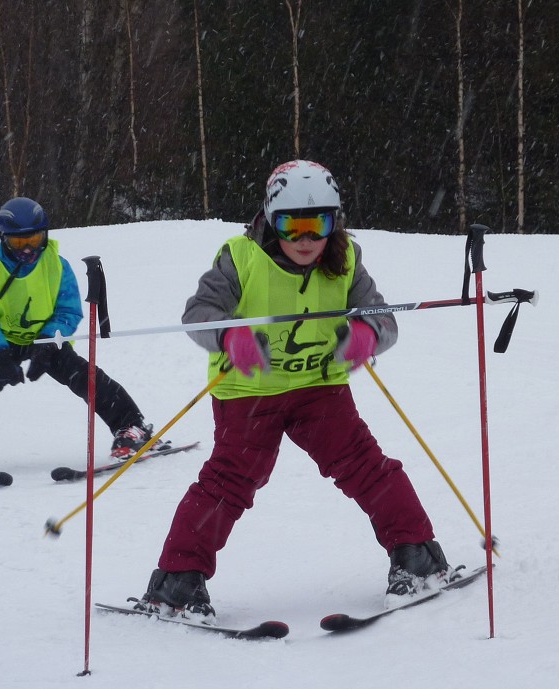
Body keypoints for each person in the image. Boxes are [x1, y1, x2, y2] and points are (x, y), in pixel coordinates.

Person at [134, 160, 455, 623]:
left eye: (318, 225)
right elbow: (199, 312)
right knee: (229, 482)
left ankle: (417, 556)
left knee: (365, 466)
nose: (305, 239)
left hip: (318, 388)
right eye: (292, 225)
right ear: (270, 217)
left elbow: (385, 319)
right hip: (249, 392)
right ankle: (178, 583)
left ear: (335, 221)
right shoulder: (239, 257)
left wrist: (366, 335)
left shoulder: (346, 260)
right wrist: (230, 337)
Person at [0, 196, 155, 469]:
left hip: (47, 340)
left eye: (33, 240)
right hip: (6, 343)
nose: (27, 250)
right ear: (3, 239)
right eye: (18, 243)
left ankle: (133, 428)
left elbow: (68, 312)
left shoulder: (58, 267)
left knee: (85, 376)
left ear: (44, 236)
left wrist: (47, 345)